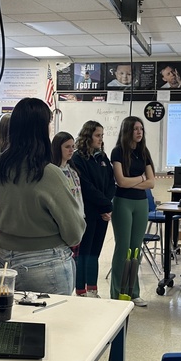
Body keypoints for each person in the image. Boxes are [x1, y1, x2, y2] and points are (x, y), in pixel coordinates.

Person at [0, 98, 85, 295]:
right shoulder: (48, 173)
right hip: (47, 263)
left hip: (6, 265)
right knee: (53, 325)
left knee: (15, 325)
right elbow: (74, 232)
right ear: (42, 129)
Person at [109, 116, 155, 306]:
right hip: (122, 203)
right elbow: (120, 181)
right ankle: (117, 294)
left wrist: (133, 181)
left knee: (135, 249)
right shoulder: (118, 152)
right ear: (127, 130)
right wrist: (140, 178)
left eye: (141, 129)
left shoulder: (144, 152)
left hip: (141, 204)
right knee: (123, 249)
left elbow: (151, 182)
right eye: (136, 129)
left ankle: (133, 292)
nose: (139, 132)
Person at [71, 120, 115, 297]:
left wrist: (108, 206)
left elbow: (111, 183)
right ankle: (80, 290)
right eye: (97, 135)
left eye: (102, 136)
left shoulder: (102, 157)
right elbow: (85, 186)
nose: (100, 139)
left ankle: (93, 288)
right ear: (87, 136)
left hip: (103, 212)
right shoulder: (78, 158)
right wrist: (105, 205)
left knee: (95, 252)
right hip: (88, 211)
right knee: (84, 251)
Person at [51, 132, 83, 214]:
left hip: (78, 215)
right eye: (67, 147)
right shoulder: (53, 171)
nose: (71, 150)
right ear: (57, 148)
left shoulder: (73, 171)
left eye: (73, 147)